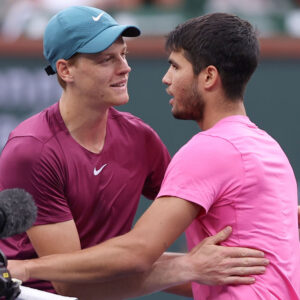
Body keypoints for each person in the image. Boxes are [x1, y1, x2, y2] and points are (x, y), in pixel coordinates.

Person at [0, 6, 269, 300]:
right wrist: (188, 268)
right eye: (106, 59)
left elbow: (203, 209)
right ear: (66, 70)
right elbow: (72, 286)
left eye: (123, 54)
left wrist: (277, 218)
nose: (125, 67)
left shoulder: (139, 138)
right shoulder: (31, 151)